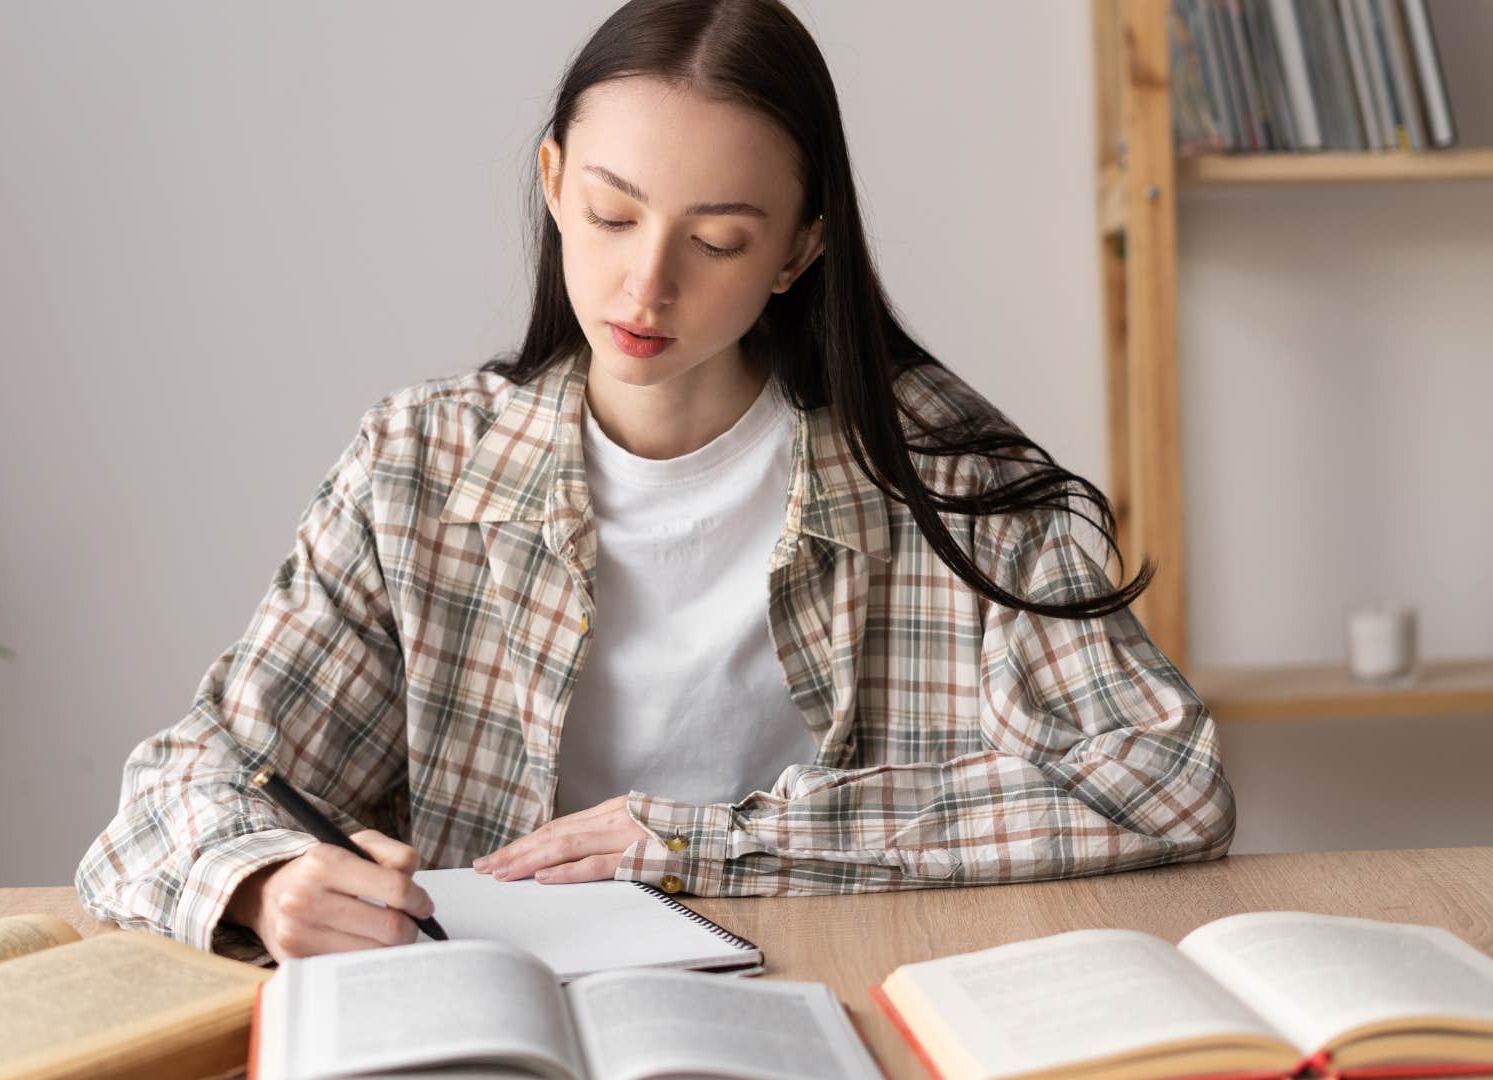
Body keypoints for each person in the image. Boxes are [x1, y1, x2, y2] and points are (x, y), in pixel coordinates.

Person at [77, 0, 1236, 966]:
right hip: (507, 1018)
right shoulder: (419, 469)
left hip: (846, 1005)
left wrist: (700, 844)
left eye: (719, 240)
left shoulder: (944, 475)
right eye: (611, 213)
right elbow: (178, 790)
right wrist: (269, 882)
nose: (646, 283)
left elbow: (1164, 781)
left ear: (799, 249)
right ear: (552, 181)